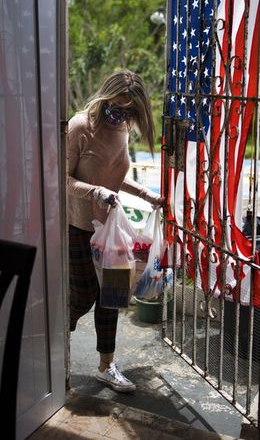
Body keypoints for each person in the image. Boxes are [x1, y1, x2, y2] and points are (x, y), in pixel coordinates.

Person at [66, 69, 163, 393]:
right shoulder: (80, 127)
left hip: (112, 228)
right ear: (105, 97)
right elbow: (62, 179)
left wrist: (146, 194)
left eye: (129, 110)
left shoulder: (123, 129)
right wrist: (94, 192)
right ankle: (54, 348)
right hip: (80, 227)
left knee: (112, 296)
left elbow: (114, 176)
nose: (120, 114)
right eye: (117, 106)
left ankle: (106, 367)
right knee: (82, 297)